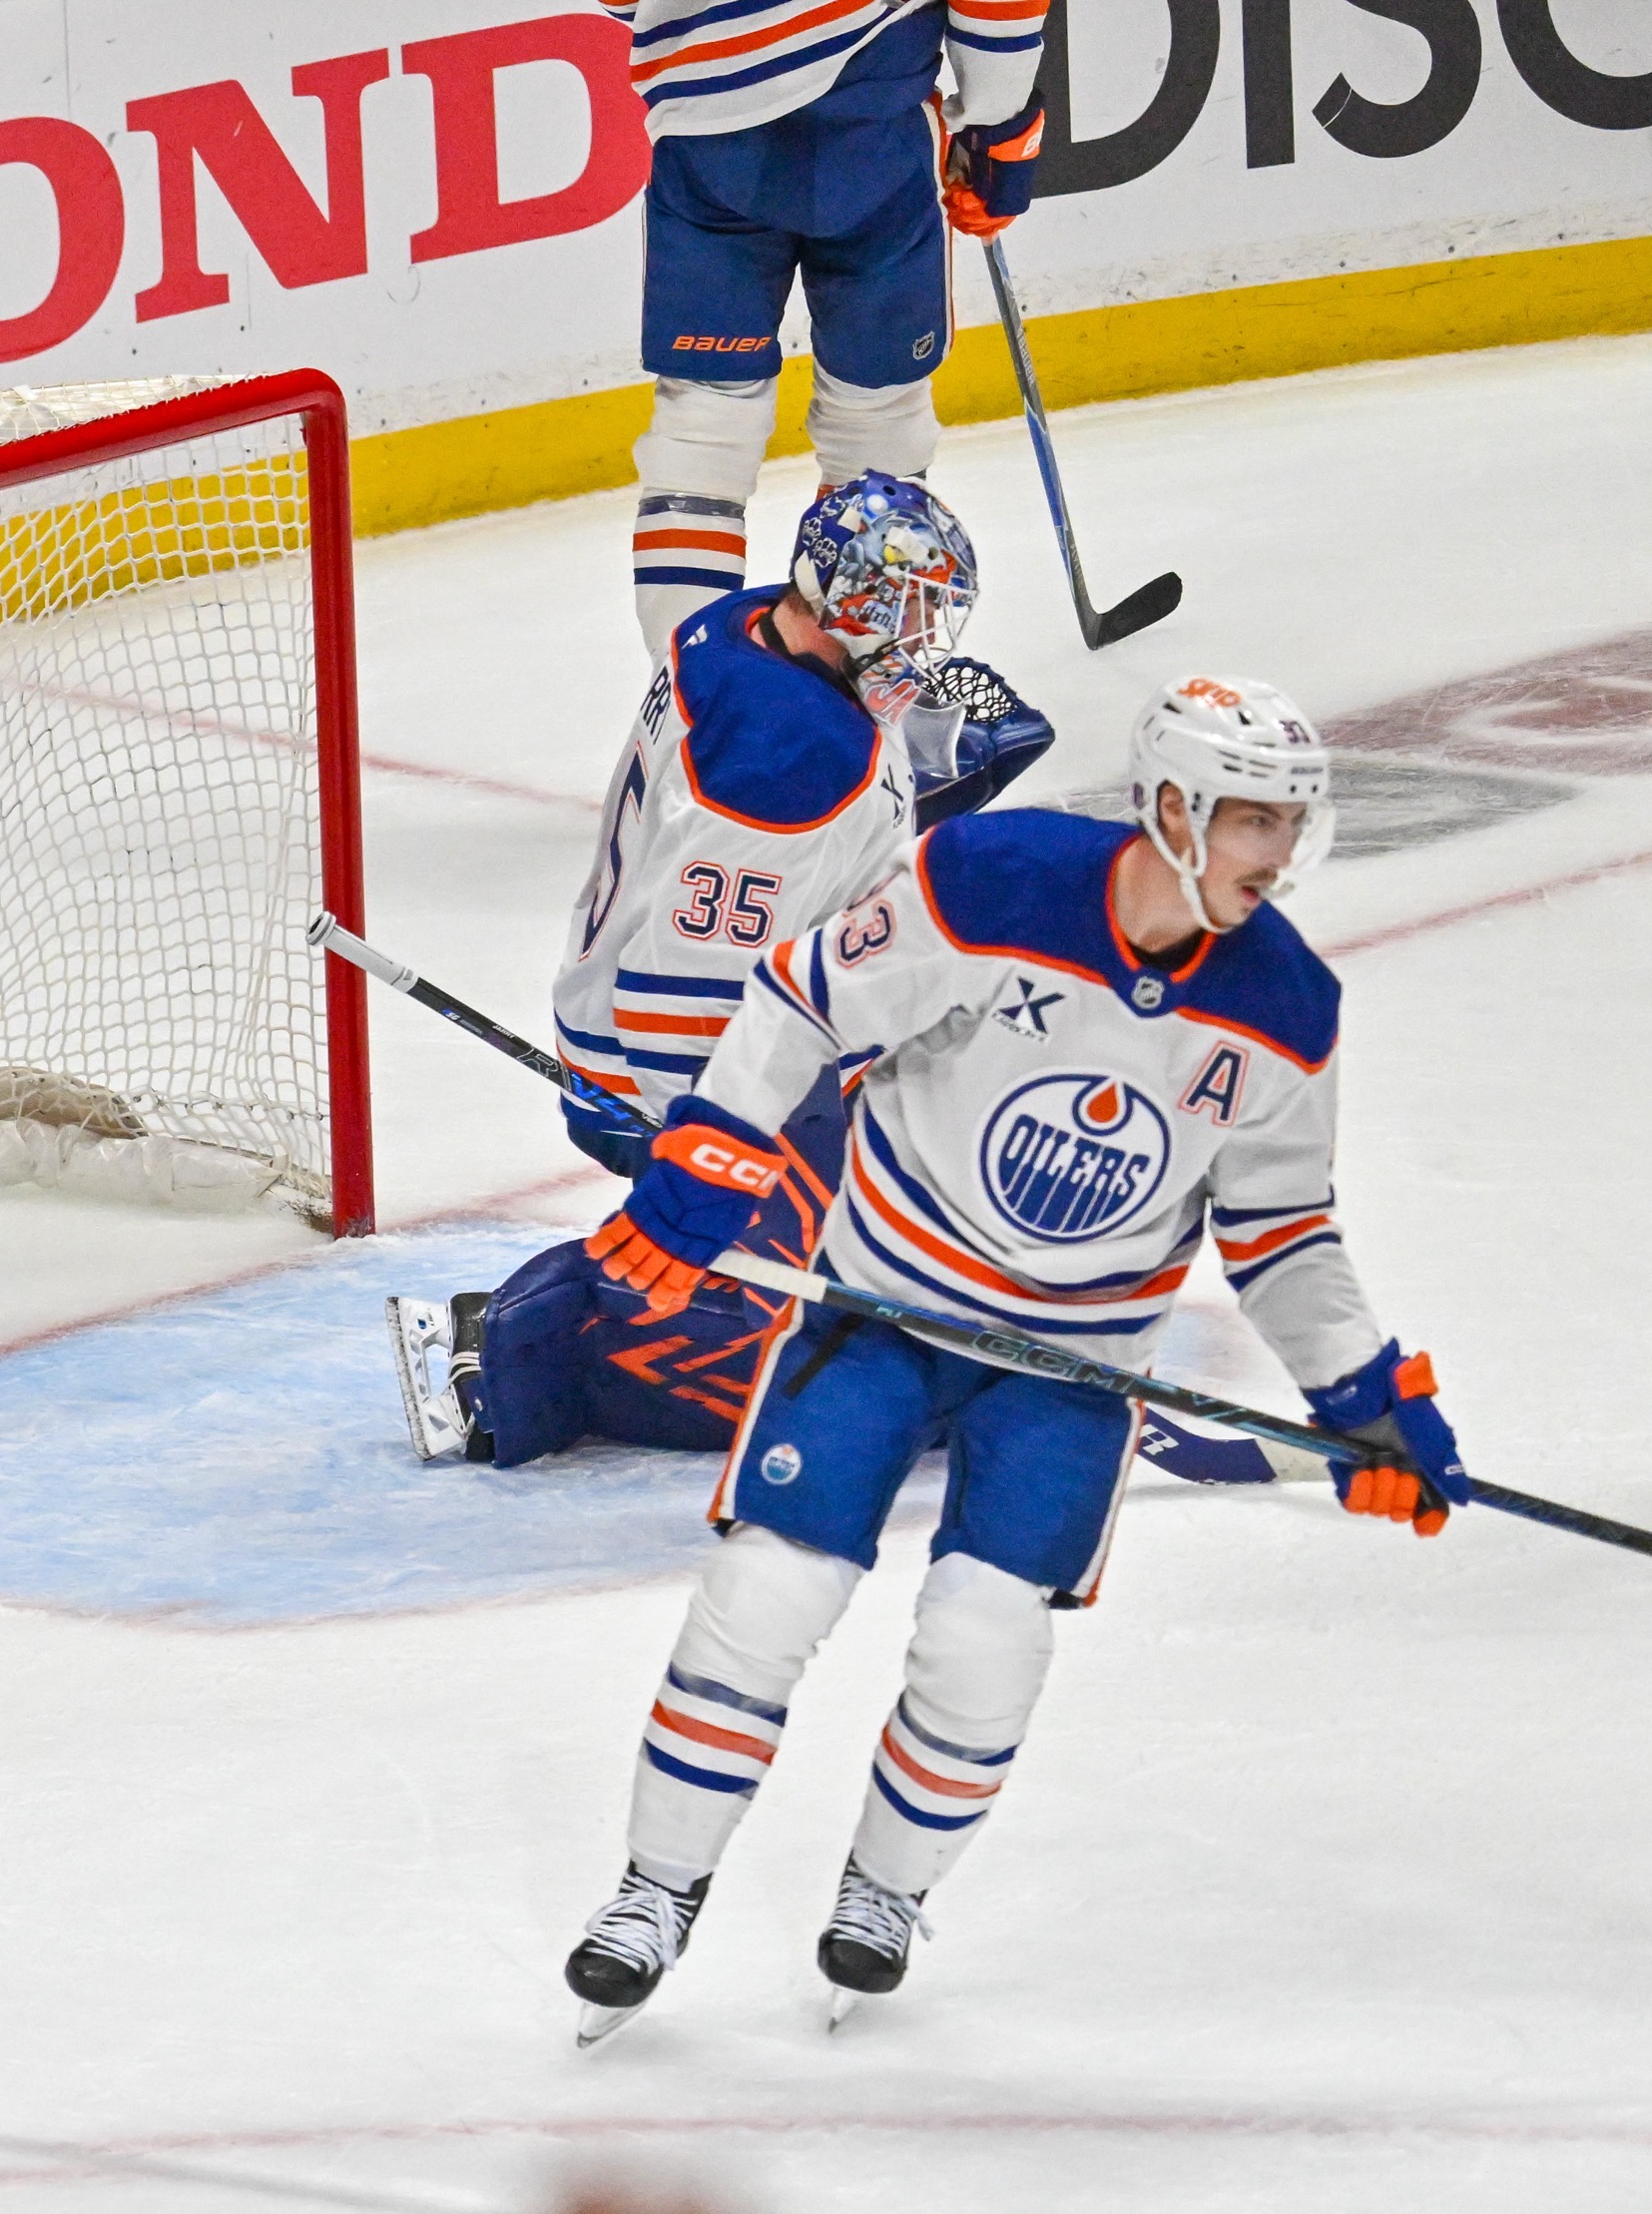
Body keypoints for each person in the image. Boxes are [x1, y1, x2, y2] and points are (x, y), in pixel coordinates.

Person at [552, 675, 1470, 2041]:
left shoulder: (1288, 1006)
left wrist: (1361, 1391)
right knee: (764, 1590)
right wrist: (714, 1146)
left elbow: (1281, 1232)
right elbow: (805, 997)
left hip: (1072, 1369)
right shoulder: (992, 882)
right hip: (880, 1312)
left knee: (986, 1640)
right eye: (1254, 819)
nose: (1279, 853)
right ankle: (654, 1890)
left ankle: (886, 1889)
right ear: (1172, 808)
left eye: (1292, 821)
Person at [390, 475, 1052, 1468]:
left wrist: (922, 775)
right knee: (788, 1376)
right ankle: (524, 1356)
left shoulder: (741, 626)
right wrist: (712, 1146)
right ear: (852, 604)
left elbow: (794, 860)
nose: (923, 640)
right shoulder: (782, 760)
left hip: (745, 1014)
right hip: (693, 1059)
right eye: (910, 612)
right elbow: (679, 992)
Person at [616, 0, 1051, 656]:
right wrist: (997, 115)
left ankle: (694, 699)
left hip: (706, 132)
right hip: (869, 125)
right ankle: (855, 678)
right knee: (877, 417)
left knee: (705, 424)